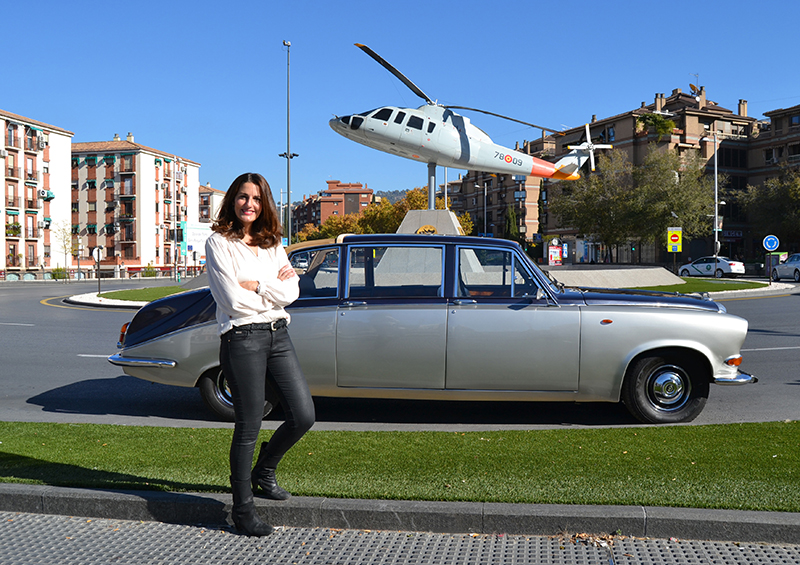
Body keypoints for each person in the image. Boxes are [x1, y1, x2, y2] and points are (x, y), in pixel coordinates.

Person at [205, 172, 315, 537]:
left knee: (303, 415)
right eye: (242, 197)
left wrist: (260, 285)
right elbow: (232, 302)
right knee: (249, 424)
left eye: (255, 198)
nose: (248, 204)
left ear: (264, 202)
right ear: (232, 201)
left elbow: (293, 291)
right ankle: (242, 510)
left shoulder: (271, 242)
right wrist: (273, 290)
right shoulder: (218, 243)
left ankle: (264, 472)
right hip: (242, 340)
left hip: (278, 335)